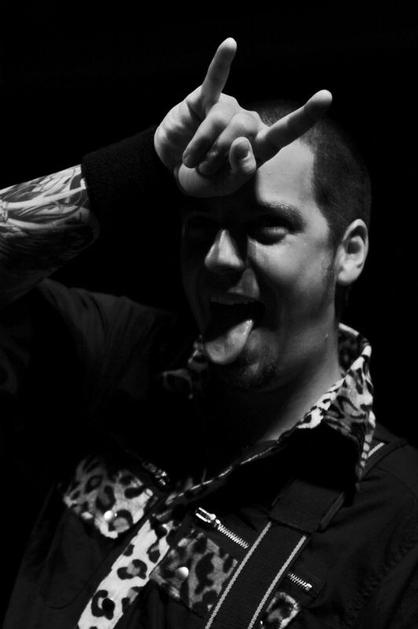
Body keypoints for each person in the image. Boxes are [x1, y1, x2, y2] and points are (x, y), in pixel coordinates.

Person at [1, 38, 417, 628]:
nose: (219, 258)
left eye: (265, 227)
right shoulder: (119, 353)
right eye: (201, 227)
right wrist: (142, 163)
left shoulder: (398, 524)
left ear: (348, 252)